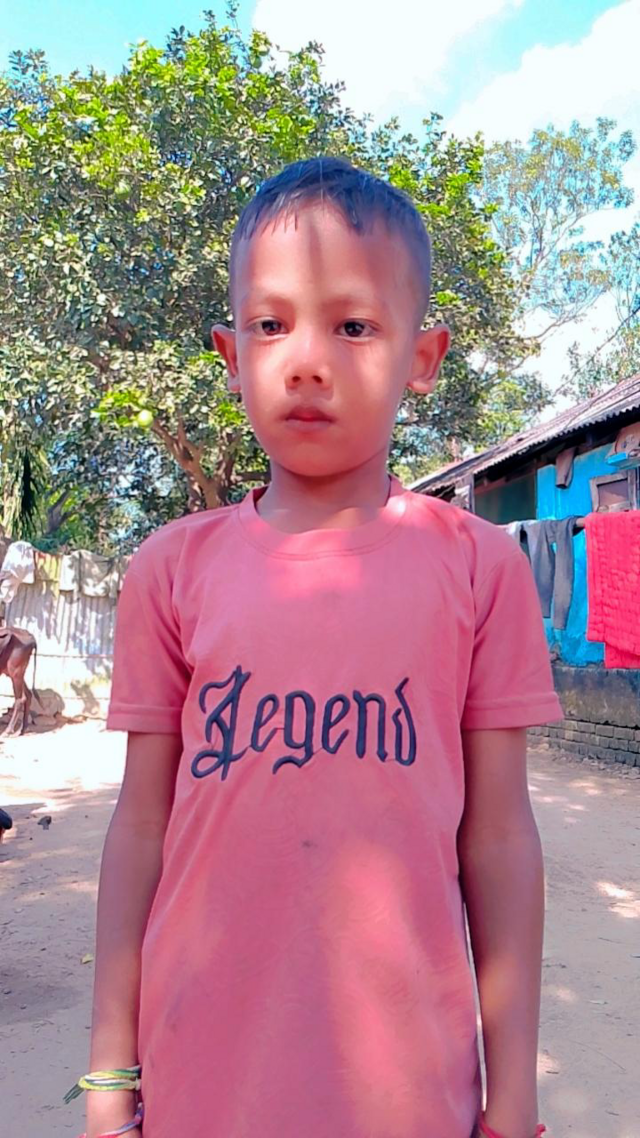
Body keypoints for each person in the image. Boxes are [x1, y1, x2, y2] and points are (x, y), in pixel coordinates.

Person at [76, 157, 562, 1138]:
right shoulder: (169, 570)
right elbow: (140, 829)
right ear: (230, 355)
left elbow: (500, 840)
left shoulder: (479, 569)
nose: (304, 360)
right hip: (199, 1080)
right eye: (270, 325)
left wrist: (512, 1101)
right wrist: (108, 1076)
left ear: (422, 356)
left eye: (353, 326)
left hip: (408, 1093)